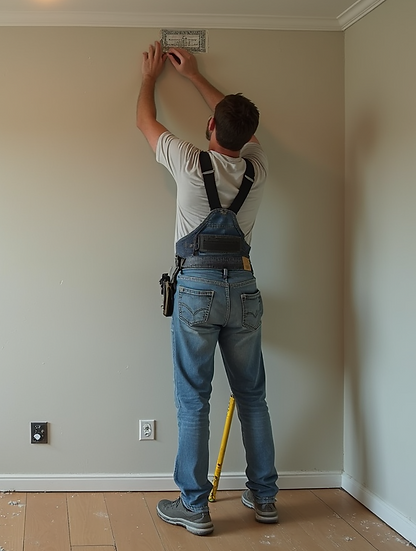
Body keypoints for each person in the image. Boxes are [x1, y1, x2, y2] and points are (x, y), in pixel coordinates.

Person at [136, 41, 279, 536]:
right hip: (244, 286)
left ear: (210, 126)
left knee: (194, 399)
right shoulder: (258, 166)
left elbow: (144, 121)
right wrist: (198, 77)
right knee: (253, 396)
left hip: (196, 288)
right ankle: (264, 498)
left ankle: (194, 507)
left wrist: (151, 77)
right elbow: (244, 130)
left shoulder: (186, 158)